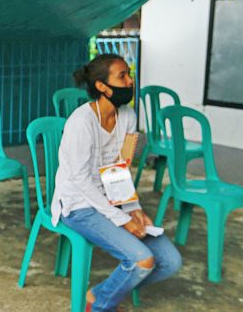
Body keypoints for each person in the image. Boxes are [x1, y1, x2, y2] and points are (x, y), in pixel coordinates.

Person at [52, 54, 181, 311]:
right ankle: (100, 305)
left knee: (170, 261)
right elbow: (80, 180)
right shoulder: (81, 122)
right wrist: (121, 219)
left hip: (112, 200)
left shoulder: (129, 116)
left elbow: (120, 169)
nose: (130, 80)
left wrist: (133, 207)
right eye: (122, 76)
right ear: (102, 86)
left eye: (129, 74)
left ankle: (101, 294)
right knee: (142, 260)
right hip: (77, 204)